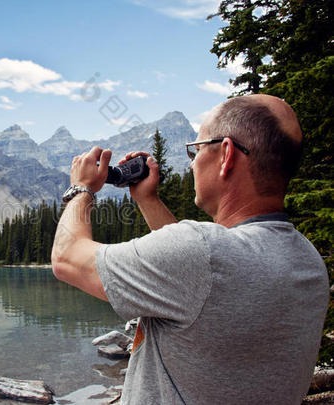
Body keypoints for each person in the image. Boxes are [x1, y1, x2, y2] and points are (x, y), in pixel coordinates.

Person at [51, 94, 329, 405]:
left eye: (195, 150)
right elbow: (200, 282)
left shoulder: (201, 254)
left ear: (226, 155)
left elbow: (67, 258)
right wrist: (148, 200)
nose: (193, 162)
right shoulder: (308, 262)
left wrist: (81, 188)